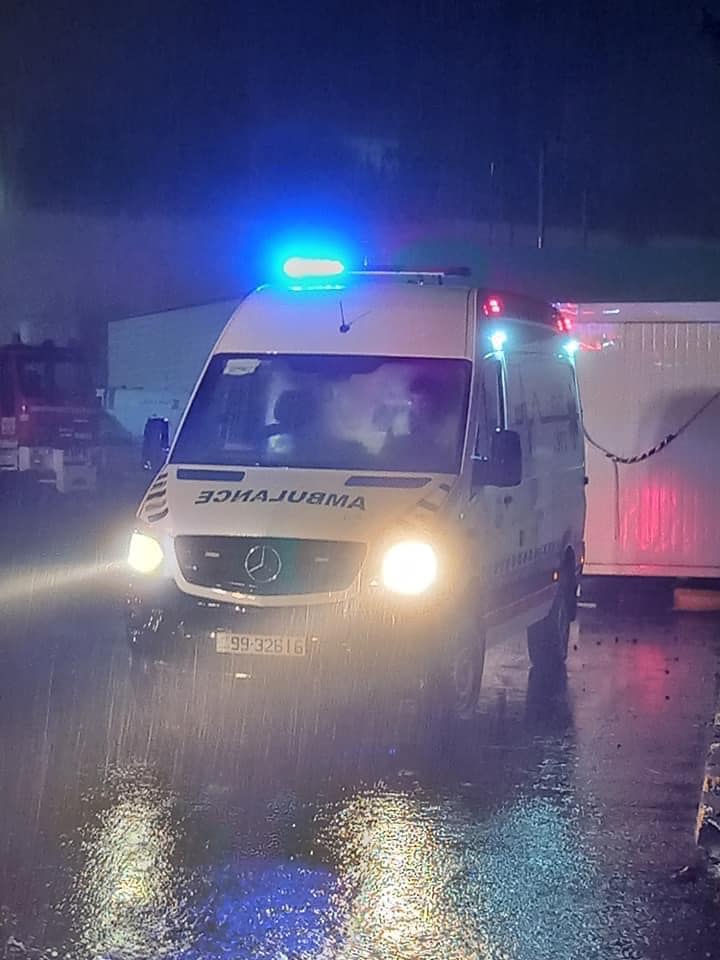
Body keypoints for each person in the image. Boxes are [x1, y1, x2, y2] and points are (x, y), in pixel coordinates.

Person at [382, 374, 453, 472]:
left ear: (434, 402)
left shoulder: (447, 425)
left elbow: (447, 455)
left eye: (423, 401)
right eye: (413, 401)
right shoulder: (399, 422)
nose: (418, 406)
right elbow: (386, 455)